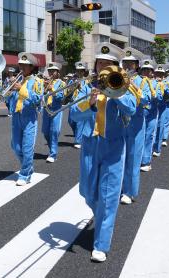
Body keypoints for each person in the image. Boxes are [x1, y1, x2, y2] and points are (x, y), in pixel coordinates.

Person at [71, 42, 136, 262]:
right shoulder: (86, 86)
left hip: (113, 147)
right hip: (90, 145)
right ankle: (99, 215)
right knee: (88, 192)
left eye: (108, 64)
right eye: (100, 63)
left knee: (108, 196)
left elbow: (132, 109)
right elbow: (73, 115)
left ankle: (101, 243)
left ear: (116, 66)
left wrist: (115, 93)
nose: (103, 67)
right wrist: (88, 103)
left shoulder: (125, 84)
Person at [121, 48, 150, 205]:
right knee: (119, 156)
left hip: (136, 124)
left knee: (133, 158)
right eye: (125, 63)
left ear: (136, 65)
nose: (127, 66)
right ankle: (119, 186)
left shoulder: (143, 81)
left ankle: (130, 191)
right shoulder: (118, 78)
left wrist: (133, 85)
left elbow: (146, 101)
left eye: (130, 64)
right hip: (120, 123)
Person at [10, 52, 42, 186]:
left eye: (25, 65)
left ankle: (25, 174)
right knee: (16, 146)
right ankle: (28, 167)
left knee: (27, 148)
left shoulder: (37, 81)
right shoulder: (18, 80)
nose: (22, 67)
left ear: (32, 67)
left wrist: (21, 88)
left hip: (29, 117)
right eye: (20, 65)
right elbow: (12, 98)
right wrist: (7, 94)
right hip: (16, 116)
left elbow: (38, 99)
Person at [140, 60, 162, 172]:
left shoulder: (157, 83)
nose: (146, 71)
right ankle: (137, 159)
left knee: (148, 136)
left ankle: (146, 161)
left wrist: (154, 94)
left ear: (152, 72)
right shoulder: (136, 81)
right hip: (138, 114)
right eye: (144, 69)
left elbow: (160, 97)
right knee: (138, 137)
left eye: (148, 70)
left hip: (151, 113)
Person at [42, 62, 65, 163]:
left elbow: (61, 98)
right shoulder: (45, 82)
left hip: (56, 109)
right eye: (49, 71)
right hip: (46, 108)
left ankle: (53, 153)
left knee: (54, 131)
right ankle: (52, 149)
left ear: (57, 72)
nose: (51, 72)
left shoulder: (62, 83)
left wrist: (52, 89)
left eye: (53, 71)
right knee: (46, 132)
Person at [152, 65, 169, 157]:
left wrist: (163, 85)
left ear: (164, 75)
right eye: (157, 73)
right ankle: (150, 147)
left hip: (162, 107)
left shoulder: (166, 83)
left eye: (161, 74)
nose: (159, 75)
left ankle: (157, 148)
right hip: (152, 108)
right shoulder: (151, 82)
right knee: (151, 129)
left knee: (160, 127)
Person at [68, 62, 87, 149]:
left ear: (84, 72)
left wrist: (80, 87)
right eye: (78, 71)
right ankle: (78, 135)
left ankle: (78, 140)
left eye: (81, 71)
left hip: (82, 103)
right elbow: (68, 92)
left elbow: (88, 92)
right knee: (71, 121)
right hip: (73, 103)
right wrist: (72, 87)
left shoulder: (87, 81)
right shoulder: (72, 80)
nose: (79, 72)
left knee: (79, 122)